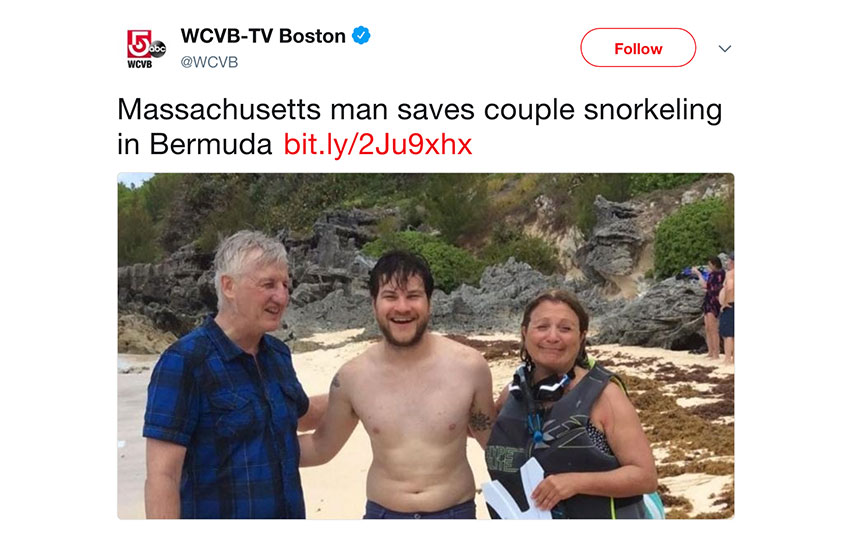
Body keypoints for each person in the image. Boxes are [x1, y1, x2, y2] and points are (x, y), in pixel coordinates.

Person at [298, 250, 496, 519]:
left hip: (455, 513)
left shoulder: (470, 367)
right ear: (374, 304)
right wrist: (248, 449)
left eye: (413, 296)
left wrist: (554, 455)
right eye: (390, 296)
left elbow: (495, 447)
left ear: (430, 302)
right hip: (384, 514)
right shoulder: (351, 378)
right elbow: (321, 447)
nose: (402, 307)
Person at [143, 230, 326, 519]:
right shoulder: (185, 362)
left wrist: (356, 387)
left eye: (285, 285)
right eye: (268, 284)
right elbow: (163, 477)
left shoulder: (278, 355)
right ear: (228, 286)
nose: (281, 296)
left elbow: (304, 417)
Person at [485, 290, 658, 519]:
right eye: (542, 327)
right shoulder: (512, 395)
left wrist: (575, 482)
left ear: (581, 337)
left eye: (565, 329)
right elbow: (480, 431)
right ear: (525, 333)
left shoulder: (605, 396)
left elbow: (645, 477)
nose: (553, 337)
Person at [693, 256, 726, 360]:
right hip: (708, 300)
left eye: (710, 264)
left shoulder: (720, 274)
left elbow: (708, 286)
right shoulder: (712, 274)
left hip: (714, 302)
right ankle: (710, 351)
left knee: (713, 329)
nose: (708, 266)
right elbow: (707, 286)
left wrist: (699, 274)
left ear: (714, 264)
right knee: (707, 327)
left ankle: (716, 353)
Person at [718, 252, 735, 365]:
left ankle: (728, 358)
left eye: (728, 260)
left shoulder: (730, 274)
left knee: (728, 334)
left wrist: (725, 303)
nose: (727, 263)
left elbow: (729, 287)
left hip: (731, 304)